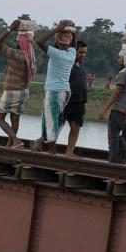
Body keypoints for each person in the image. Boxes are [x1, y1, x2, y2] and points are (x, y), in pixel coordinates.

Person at [34, 20, 78, 153]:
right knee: (56, 120)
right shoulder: (72, 52)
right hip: (65, 91)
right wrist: (71, 31)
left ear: (57, 42)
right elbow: (74, 43)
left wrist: (57, 29)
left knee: (50, 121)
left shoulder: (56, 54)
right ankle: (41, 142)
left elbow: (40, 41)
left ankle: (51, 152)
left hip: (54, 91)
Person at [0, 19, 36, 149]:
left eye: (18, 40)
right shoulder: (30, 56)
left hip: (12, 91)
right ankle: (10, 144)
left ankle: (16, 141)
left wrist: (10, 28)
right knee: (15, 119)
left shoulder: (16, 54)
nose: (16, 41)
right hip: (24, 91)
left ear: (21, 42)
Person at [62, 41, 89, 157]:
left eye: (84, 53)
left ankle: (69, 152)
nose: (82, 55)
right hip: (67, 100)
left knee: (76, 127)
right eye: (80, 52)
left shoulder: (81, 66)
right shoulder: (67, 64)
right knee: (56, 125)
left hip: (79, 101)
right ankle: (40, 142)